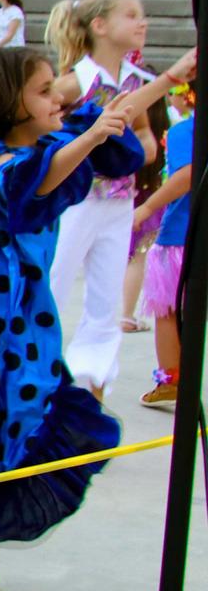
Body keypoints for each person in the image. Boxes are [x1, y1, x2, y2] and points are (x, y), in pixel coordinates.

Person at [0, 45, 189, 591]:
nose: (57, 100)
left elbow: (103, 119)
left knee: (19, 431)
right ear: (8, 104)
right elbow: (31, 183)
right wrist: (87, 137)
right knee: (8, 438)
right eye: (43, 92)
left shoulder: (45, 145)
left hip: (31, 325)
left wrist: (166, 79)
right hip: (0, 331)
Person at [47, 0, 165, 396]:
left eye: (141, 15)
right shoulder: (71, 82)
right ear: (99, 26)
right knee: (53, 284)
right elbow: (40, 134)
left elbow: (147, 135)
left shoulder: (136, 81)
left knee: (105, 298)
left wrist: (138, 149)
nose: (142, 22)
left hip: (117, 203)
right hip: (73, 202)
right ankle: (38, 377)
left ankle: (92, 388)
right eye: (131, 15)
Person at [133, 94, 193, 406]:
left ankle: (171, 378)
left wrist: (146, 209)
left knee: (168, 308)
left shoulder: (186, 131)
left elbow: (186, 175)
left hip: (182, 235)